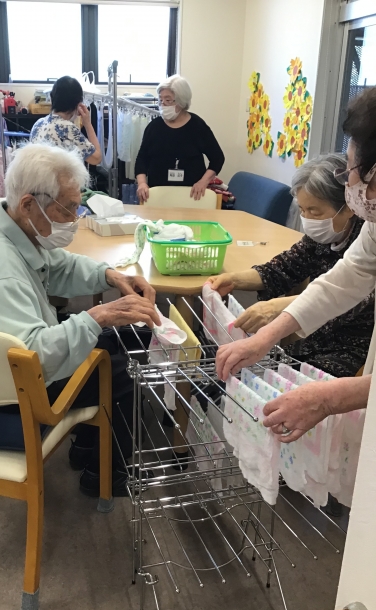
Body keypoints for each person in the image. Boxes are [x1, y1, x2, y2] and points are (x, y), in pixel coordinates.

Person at [0, 142, 160, 497]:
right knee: (122, 373)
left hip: (2, 360)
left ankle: (86, 448)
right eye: (68, 209)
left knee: (112, 344)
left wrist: (111, 276)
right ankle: (105, 477)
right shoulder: (1, 267)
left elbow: (59, 266)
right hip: (9, 385)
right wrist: (99, 315)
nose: (74, 220)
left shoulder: (4, 225)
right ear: (29, 205)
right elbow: (32, 354)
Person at [216, 87, 376, 444]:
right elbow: (344, 279)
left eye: (351, 172)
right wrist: (265, 338)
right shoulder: (373, 227)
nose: (349, 183)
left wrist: (328, 399)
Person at [208, 154, 374, 378]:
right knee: (253, 370)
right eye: (302, 210)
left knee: (276, 380)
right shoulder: (321, 239)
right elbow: (283, 268)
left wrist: (276, 308)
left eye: (314, 211)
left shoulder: (367, 237)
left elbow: (352, 296)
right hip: (316, 339)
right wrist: (234, 280)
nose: (307, 219)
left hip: (354, 350)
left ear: (349, 207)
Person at [135, 74, 224, 202]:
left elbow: (217, 158)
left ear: (181, 101)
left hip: (192, 196)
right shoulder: (154, 127)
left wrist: (203, 182)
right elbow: (141, 159)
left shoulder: (197, 126)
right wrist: (142, 183)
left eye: (168, 100)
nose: (163, 104)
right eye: (160, 99)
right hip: (158, 195)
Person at [30, 76, 102, 165]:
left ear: (52, 98)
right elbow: (97, 159)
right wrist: (87, 124)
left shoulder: (38, 124)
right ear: (78, 104)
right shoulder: (67, 129)